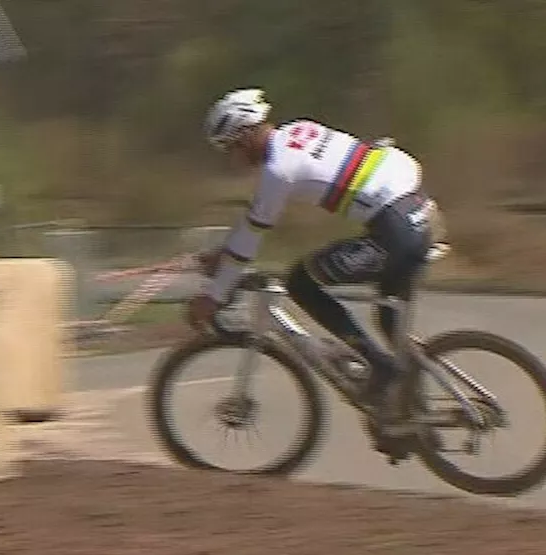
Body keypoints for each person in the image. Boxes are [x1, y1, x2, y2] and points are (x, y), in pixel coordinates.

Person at [187, 87, 445, 418]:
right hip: (416, 212)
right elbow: (249, 232)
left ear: (246, 134)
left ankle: (380, 369)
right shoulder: (299, 130)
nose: (233, 158)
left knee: (302, 281)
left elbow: (251, 235)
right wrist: (228, 253)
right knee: (388, 319)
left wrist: (214, 295)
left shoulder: (277, 170)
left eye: (231, 147)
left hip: (395, 230)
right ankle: (414, 417)